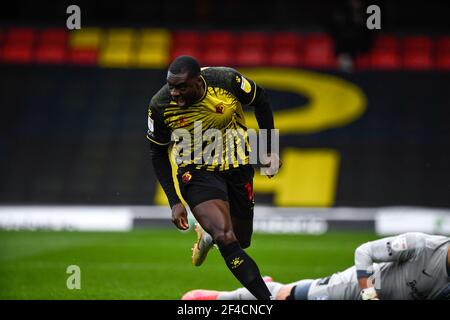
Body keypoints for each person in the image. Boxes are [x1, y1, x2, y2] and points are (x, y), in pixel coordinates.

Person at [147, 56, 282, 300]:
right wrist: (174, 200)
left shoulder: (226, 80)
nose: (174, 93)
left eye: (181, 87)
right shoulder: (160, 105)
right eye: (171, 86)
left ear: (198, 82)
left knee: (241, 241)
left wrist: (270, 149)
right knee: (226, 236)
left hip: (237, 165)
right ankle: (268, 300)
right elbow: (157, 151)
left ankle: (207, 235)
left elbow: (260, 98)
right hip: (196, 171)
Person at [182, 232, 450, 300]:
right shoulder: (421, 245)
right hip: (355, 290)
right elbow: (364, 251)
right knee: (287, 298)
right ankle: (219, 298)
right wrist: (369, 295)